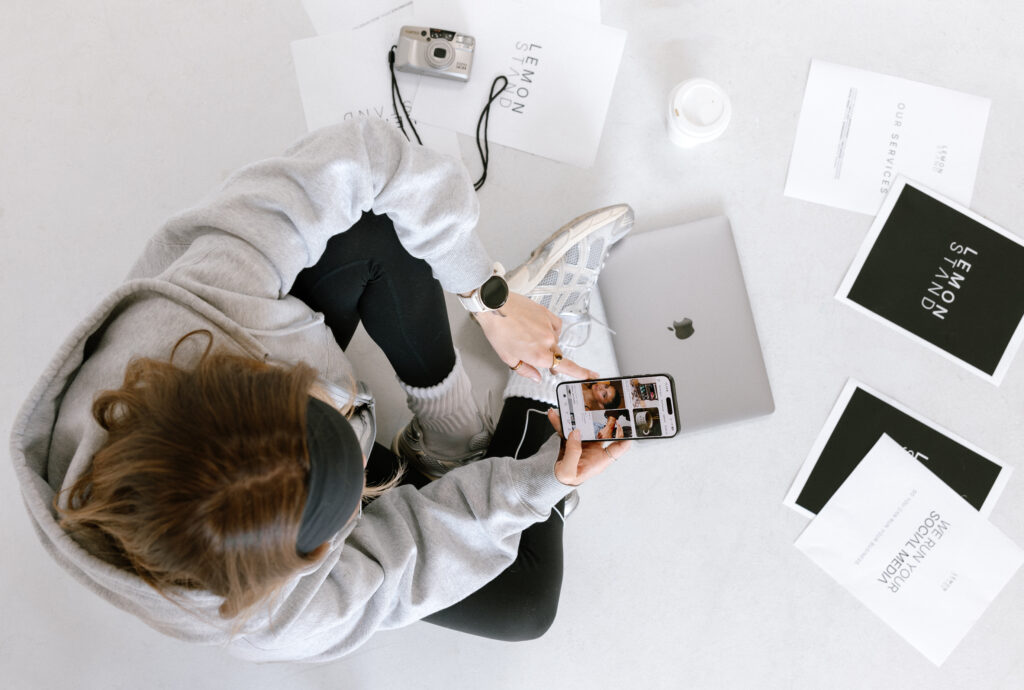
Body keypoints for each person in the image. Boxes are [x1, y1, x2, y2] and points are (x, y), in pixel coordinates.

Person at [10, 118, 635, 662]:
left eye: (323, 407)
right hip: (279, 526)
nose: (362, 455)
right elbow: (407, 561)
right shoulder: (281, 620)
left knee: (373, 233)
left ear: (247, 379)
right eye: (354, 500)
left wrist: (489, 297)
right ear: (305, 559)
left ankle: (454, 432)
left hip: (244, 351)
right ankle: (530, 407)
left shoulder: (209, 297)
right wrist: (543, 480)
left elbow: (364, 156)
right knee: (526, 608)